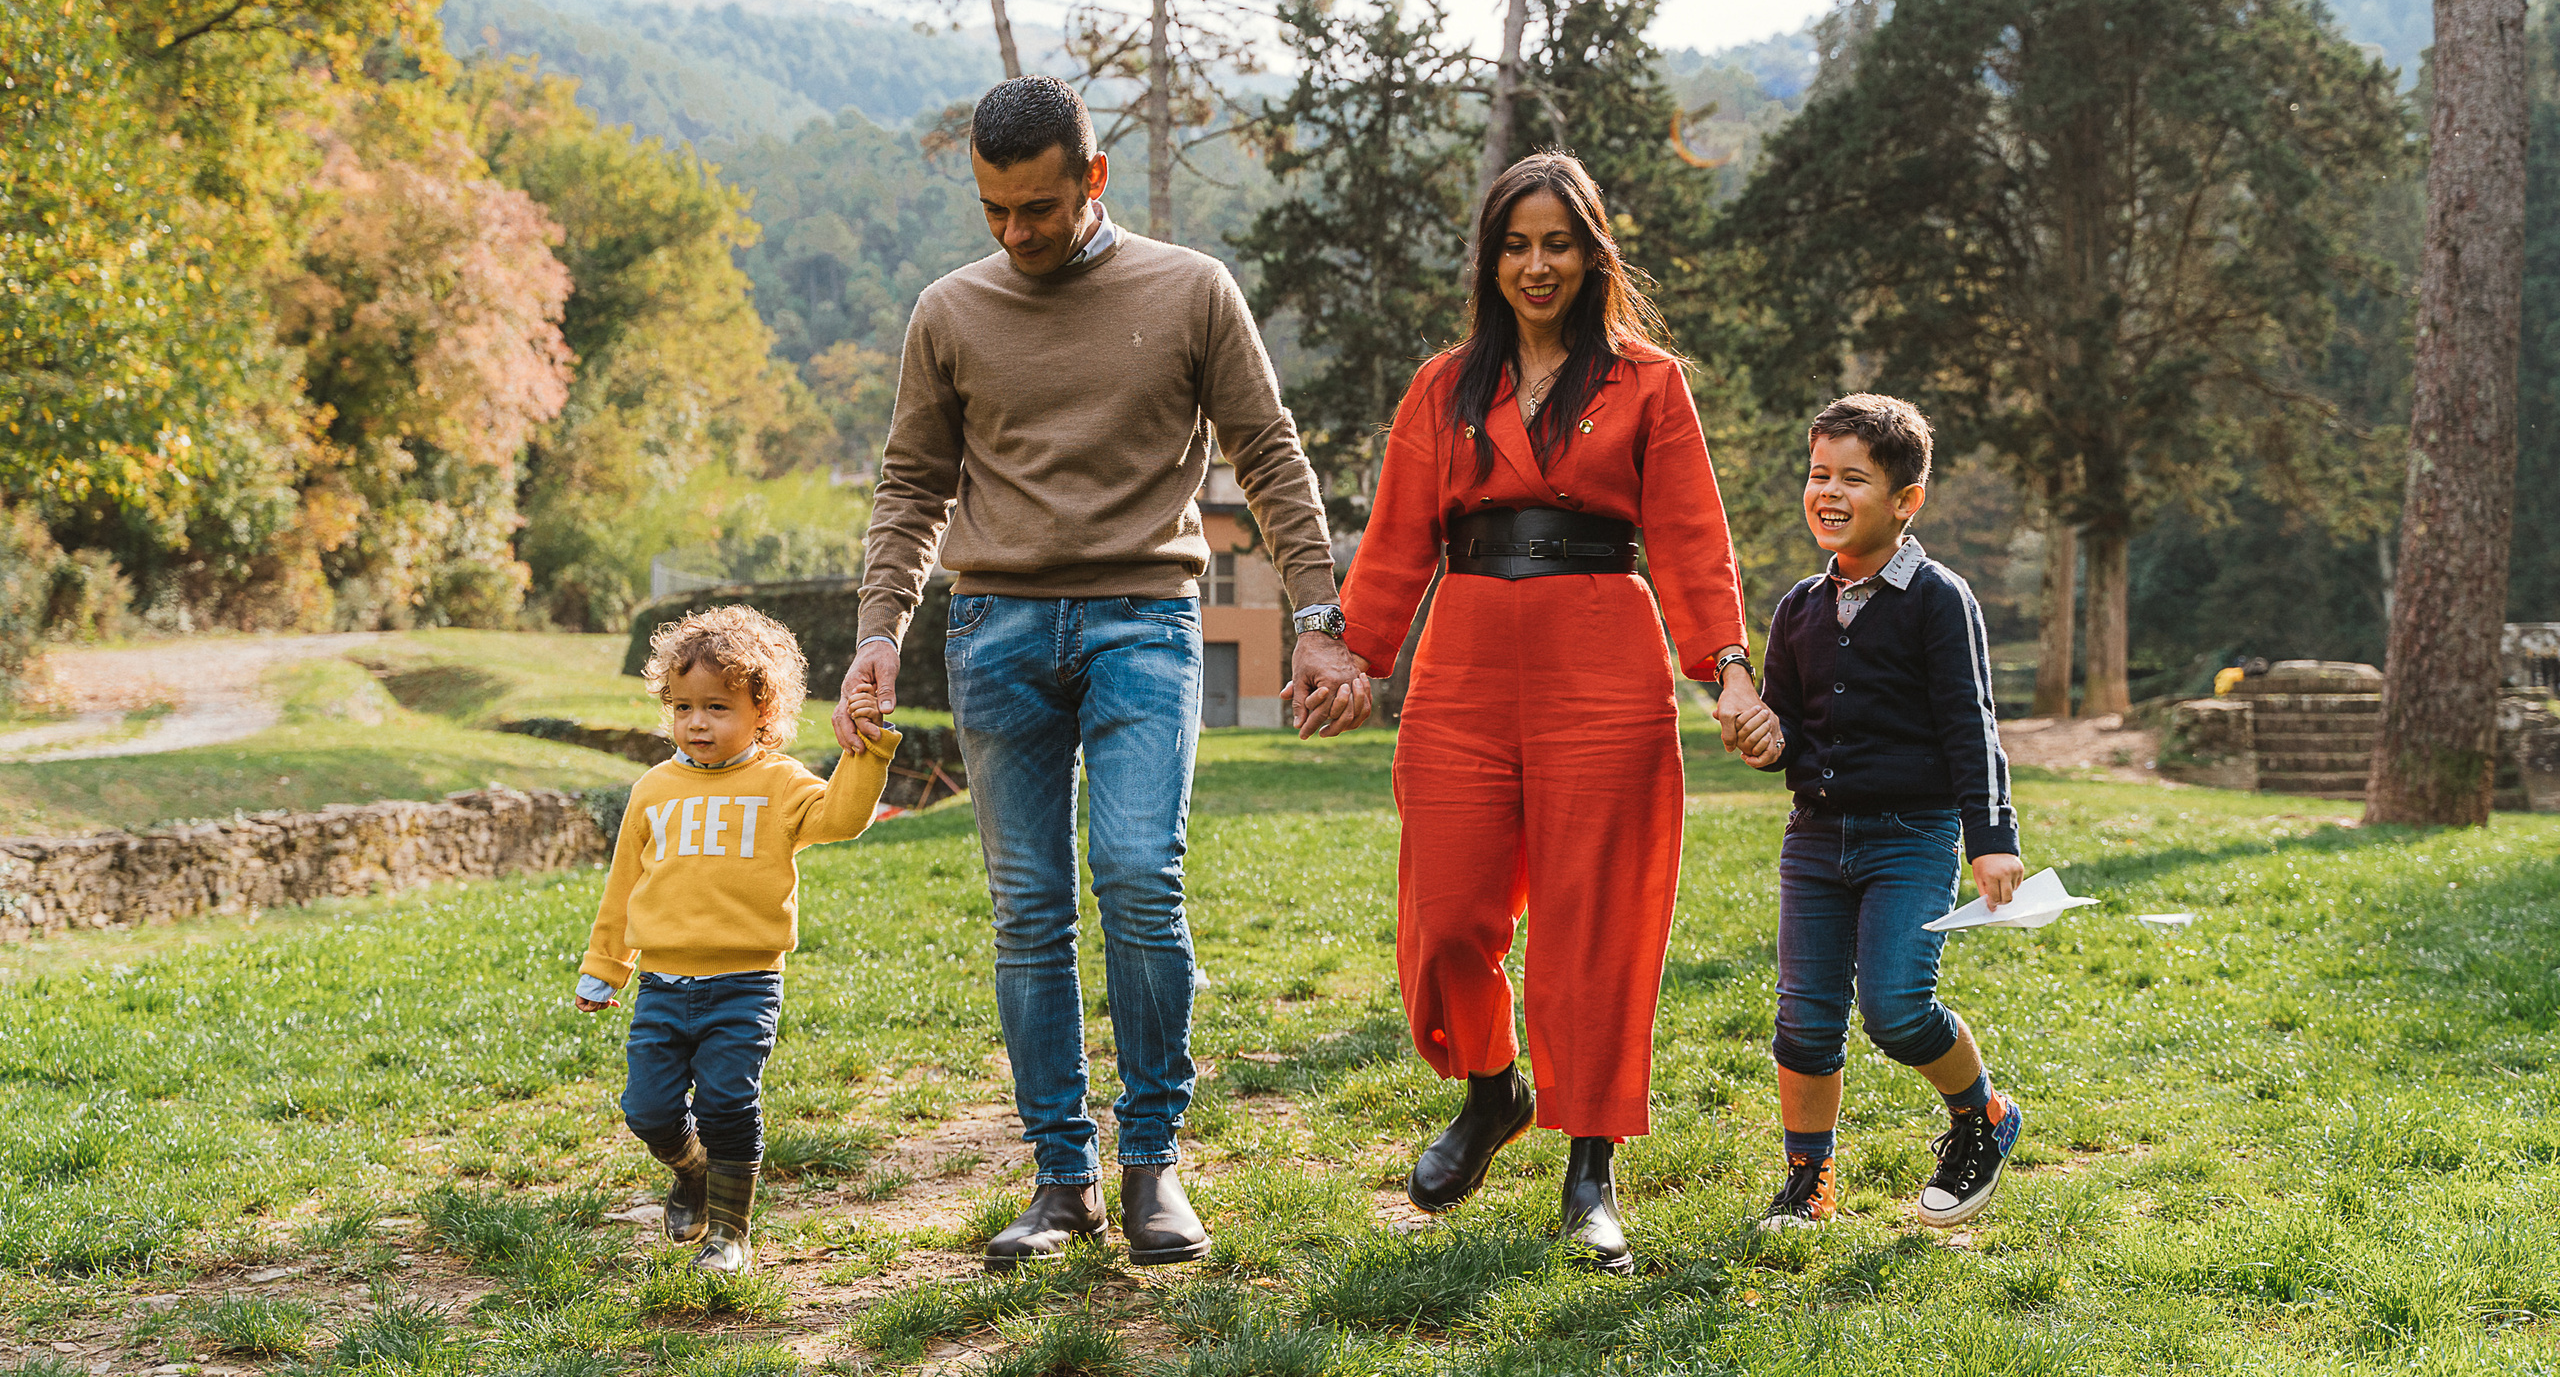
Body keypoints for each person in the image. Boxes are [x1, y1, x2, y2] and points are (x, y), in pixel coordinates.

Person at [838, 76, 1369, 1272]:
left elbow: (1271, 459)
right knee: (1029, 913)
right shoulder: (949, 311)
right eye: (993, 212)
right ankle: (1059, 1178)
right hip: (996, 631)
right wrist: (881, 630)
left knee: (1137, 874)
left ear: (1095, 178)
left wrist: (1317, 616)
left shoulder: (1189, 290)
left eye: (1036, 208)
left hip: (1145, 620)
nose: (1015, 235)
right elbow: (910, 484)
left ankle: (1153, 1162)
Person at [1331, 153, 1771, 1274]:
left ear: (1592, 254)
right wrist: (1355, 654)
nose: (1537, 264)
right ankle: (1493, 1090)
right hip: (1465, 663)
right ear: (1491, 258)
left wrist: (1723, 666)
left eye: (1558, 243)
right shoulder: (1442, 386)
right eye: (1516, 244)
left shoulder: (1647, 382)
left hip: (1603, 663)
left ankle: (1591, 1170)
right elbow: (1392, 542)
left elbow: (1687, 537)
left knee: (1597, 918)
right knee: (1449, 909)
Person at [1738, 393, 2028, 1230]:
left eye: (1852, 478)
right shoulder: (1797, 606)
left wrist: (1993, 838)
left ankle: (1984, 1114)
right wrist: (1765, 738)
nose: (1828, 491)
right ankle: (1808, 1182)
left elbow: (1971, 723)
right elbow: (1791, 730)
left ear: (1906, 501)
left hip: (1912, 836)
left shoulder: (1939, 597)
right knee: (1804, 1019)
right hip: (1815, 837)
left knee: (1898, 1009)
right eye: (1818, 472)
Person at [576, 606, 900, 1272]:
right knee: (648, 1109)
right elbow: (623, 883)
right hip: (663, 983)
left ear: (764, 711)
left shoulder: (779, 784)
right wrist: (606, 965)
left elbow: (842, 817)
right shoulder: (653, 789)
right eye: (684, 706)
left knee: (728, 1100)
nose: (698, 722)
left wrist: (864, 751)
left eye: (718, 707)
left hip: (745, 983)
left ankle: (730, 1234)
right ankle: (693, 1171)